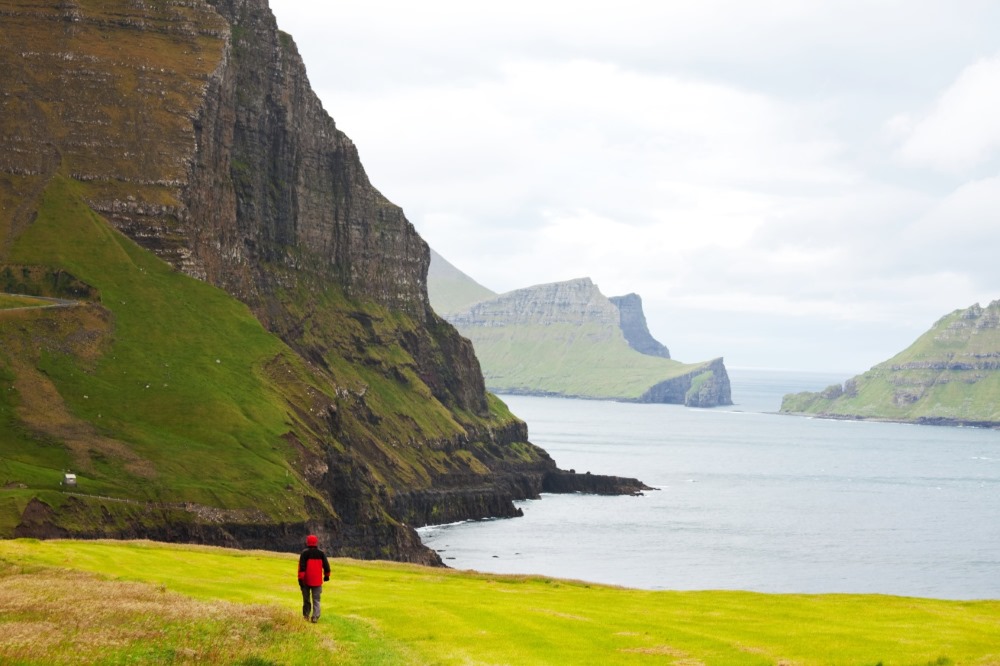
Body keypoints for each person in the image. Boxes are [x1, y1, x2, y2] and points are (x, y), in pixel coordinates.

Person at [298, 534, 331, 623]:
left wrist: (300, 579)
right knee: (316, 600)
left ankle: (306, 616)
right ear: (316, 542)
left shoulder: (304, 553)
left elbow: (302, 567)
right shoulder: (321, 553)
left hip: (306, 580)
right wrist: (327, 575)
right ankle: (315, 617)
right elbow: (326, 566)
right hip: (317, 581)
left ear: (307, 542)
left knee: (306, 599)